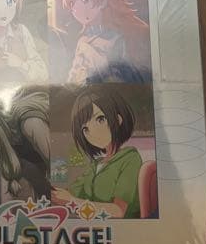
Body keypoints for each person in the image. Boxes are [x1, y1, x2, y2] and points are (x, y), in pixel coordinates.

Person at [52, 85, 143, 219]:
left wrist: (72, 201)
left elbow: (118, 211)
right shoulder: (96, 165)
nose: (92, 132)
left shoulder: (130, 159)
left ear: (118, 120)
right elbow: (70, 193)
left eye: (100, 119)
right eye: (85, 129)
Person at [62, 0, 151, 84]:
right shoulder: (83, 41)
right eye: (72, 3)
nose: (75, 8)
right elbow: (72, 79)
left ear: (103, 1)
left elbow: (132, 79)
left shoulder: (122, 40)